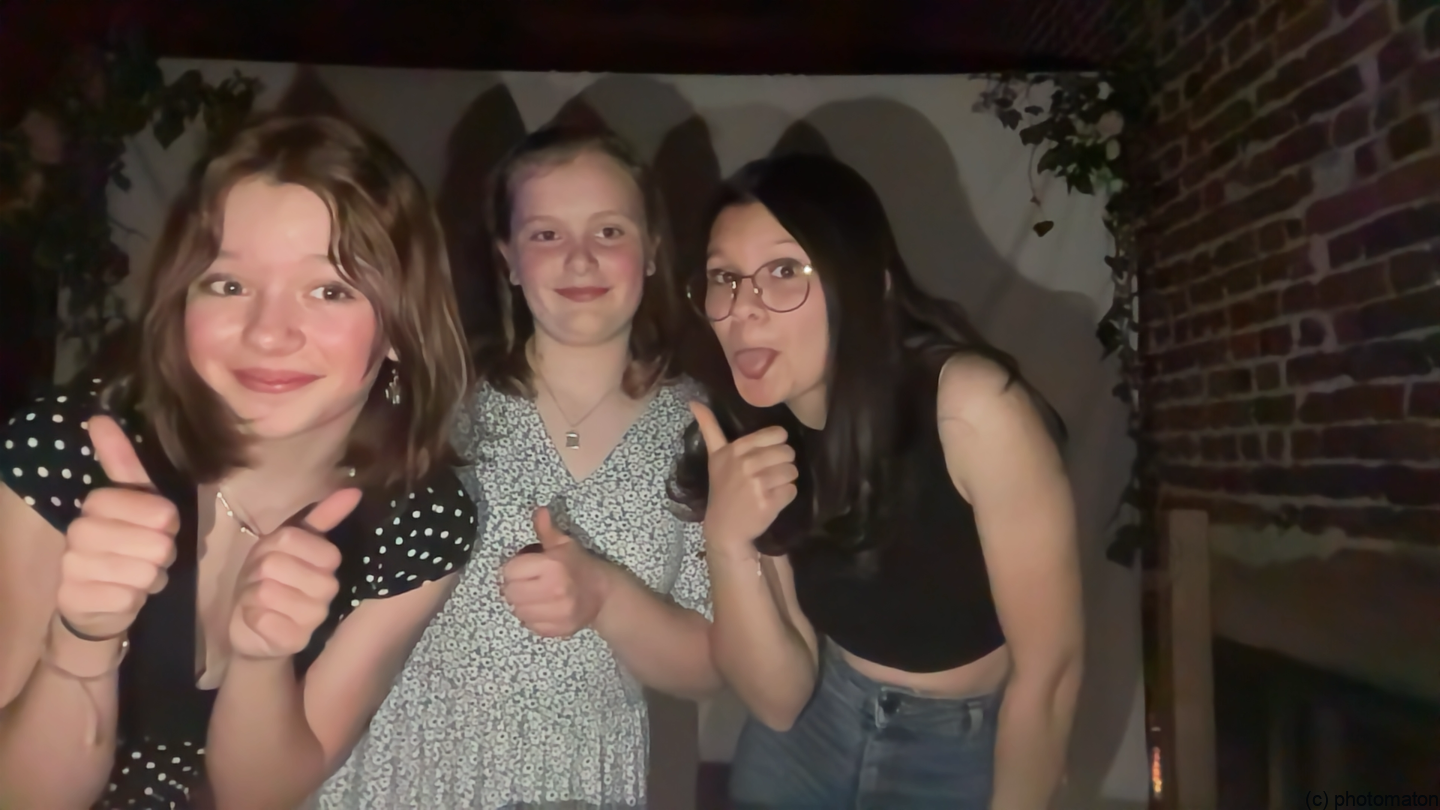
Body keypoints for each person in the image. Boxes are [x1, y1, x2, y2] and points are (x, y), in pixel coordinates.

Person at [0, 114, 479, 810]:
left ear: (401, 326)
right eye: (228, 284)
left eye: (330, 290)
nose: (268, 333)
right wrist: (83, 637)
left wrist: (263, 661)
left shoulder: (421, 520)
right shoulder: (69, 450)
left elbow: (260, 795)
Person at [320, 124, 719, 810]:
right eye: (546, 234)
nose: (580, 259)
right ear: (508, 259)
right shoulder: (437, 401)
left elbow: (710, 664)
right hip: (405, 762)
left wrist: (605, 597)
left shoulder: (699, 428)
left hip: (577, 777)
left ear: (653, 249)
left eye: (609, 231)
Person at [672, 152, 1084, 809]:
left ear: (867, 285)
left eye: (784, 271)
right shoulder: (747, 427)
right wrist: (726, 542)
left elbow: (1050, 673)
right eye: (725, 277)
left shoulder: (970, 407)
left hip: (958, 750)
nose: (742, 308)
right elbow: (778, 701)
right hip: (813, 730)